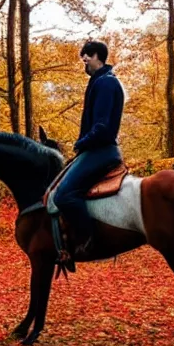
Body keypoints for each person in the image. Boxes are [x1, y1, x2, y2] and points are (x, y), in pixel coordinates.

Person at [54, 40, 125, 256]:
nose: (84, 59)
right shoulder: (99, 81)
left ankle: (88, 240)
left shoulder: (106, 83)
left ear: (98, 57)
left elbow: (102, 128)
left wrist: (81, 143)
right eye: (83, 55)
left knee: (63, 195)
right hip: (96, 149)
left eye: (87, 55)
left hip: (101, 151)